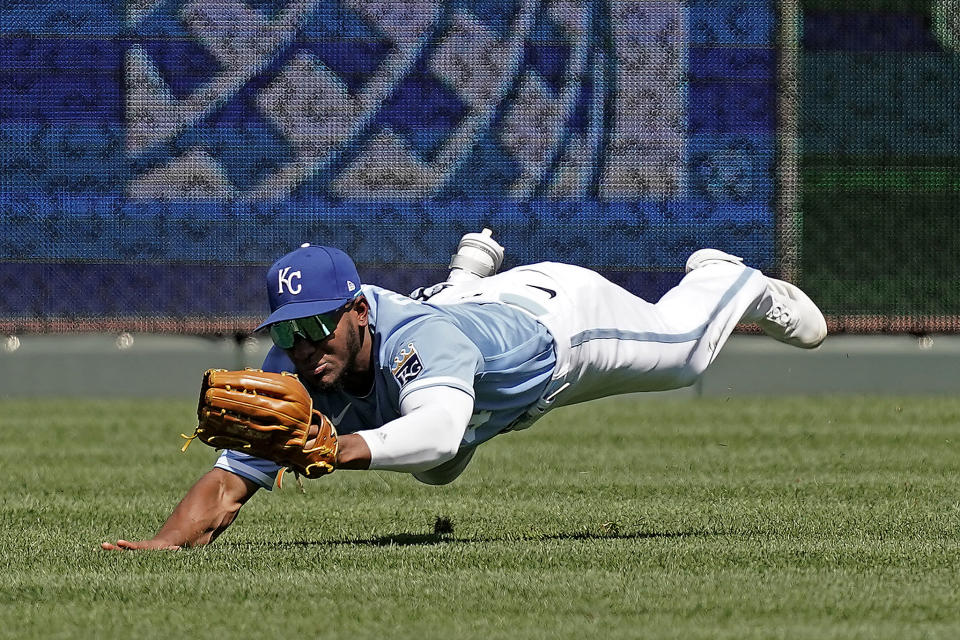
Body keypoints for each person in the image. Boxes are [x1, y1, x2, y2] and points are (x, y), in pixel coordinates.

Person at [101, 239, 826, 551]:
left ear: (357, 311)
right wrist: (164, 545)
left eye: (320, 324)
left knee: (685, 358)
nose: (305, 345)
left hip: (561, 328)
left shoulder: (421, 343)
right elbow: (229, 480)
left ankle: (728, 276)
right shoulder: (297, 364)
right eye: (291, 330)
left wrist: (338, 446)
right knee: (432, 469)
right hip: (466, 329)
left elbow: (443, 430)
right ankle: (464, 277)